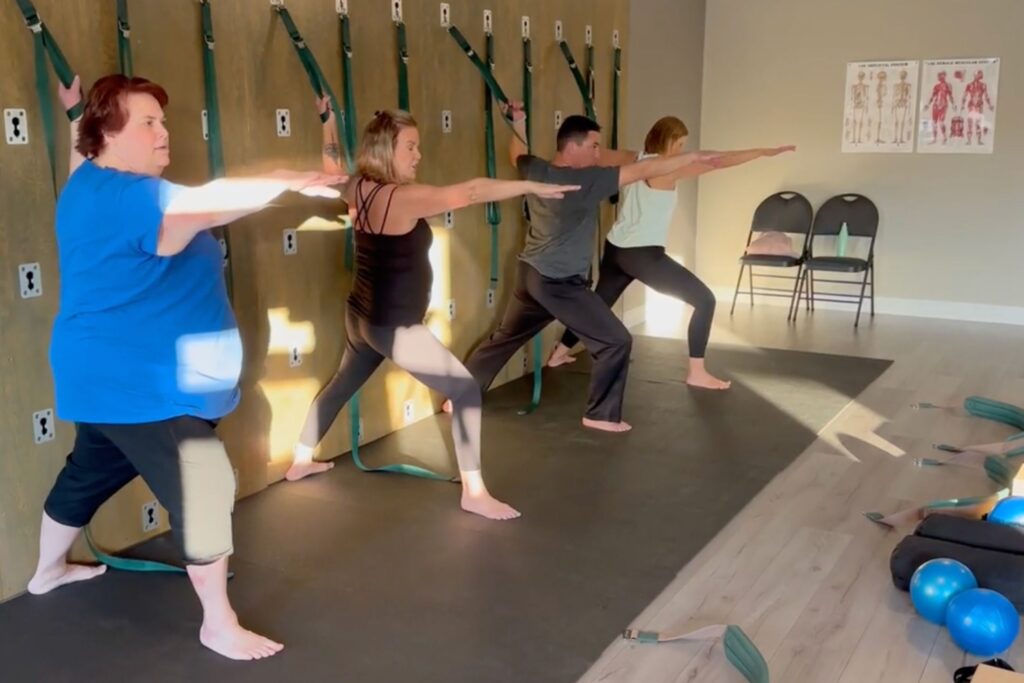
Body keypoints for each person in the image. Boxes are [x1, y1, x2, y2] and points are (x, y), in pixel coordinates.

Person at [29, 74, 344, 661]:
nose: (162, 132)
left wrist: (76, 113)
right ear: (108, 136)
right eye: (147, 122)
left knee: (88, 472)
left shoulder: (84, 183)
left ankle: (47, 571)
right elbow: (208, 203)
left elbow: (87, 153)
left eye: (162, 120)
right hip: (142, 387)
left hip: (102, 378)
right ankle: (216, 624)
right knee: (204, 489)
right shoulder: (135, 199)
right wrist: (288, 180)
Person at [285, 103, 578, 521]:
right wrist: (532, 186)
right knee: (463, 389)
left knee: (340, 385)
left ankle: (299, 459)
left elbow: (332, 164)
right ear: (387, 150)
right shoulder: (402, 198)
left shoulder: (359, 188)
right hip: (394, 326)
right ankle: (474, 492)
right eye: (411, 147)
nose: (418, 155)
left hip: (361, 318)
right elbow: (472, 192)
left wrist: (327, 120)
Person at [448, 104, 720, 434]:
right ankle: (601, 415)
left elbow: (516, 151)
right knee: (616, 341)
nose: (597, 154)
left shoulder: (537, 169)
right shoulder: (584, 181)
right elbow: (642, 171)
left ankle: (459, 397)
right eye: (593, 146)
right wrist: (691, 158)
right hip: (559, 283)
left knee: (505, 338)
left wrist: (518, 121)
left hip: (530, 274)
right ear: (573, 147)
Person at [548, 116, 795, 389]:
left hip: (616, 248)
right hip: (642, 255)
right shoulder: (668, 170)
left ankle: (558, 353)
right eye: (680, 144)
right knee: (705, 300)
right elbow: (720, 160)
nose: (681, 149)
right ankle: (697, 372)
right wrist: (762, 152)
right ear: (669, 141)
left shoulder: (633, 158)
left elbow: (589, 156)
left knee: (599, 302)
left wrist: (551, 170)